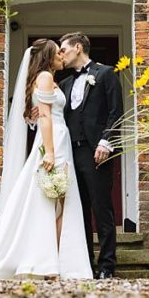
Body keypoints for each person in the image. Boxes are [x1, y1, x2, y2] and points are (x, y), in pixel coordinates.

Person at [0, 39, 93, 280]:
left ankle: (54, 261)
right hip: (54, 142)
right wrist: (50, 152)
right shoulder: (45, 77)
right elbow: (44, 117)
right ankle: (50, 263)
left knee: (56, 200)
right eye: (58, 53)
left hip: (58, 138)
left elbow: (40, 113)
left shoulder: (46, 78)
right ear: (48, 57)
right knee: (56, 200)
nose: (62, 56)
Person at [57, 32, 124, 279]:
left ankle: (107, 266)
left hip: (96, 151)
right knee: (79, 210)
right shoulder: (63, 84)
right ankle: (86, 265)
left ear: (78, 47)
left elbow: (116, 112)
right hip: (70, 153)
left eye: (63, 49)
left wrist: (106, 142)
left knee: (102, 208)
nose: (60, 55)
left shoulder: (105, 74)